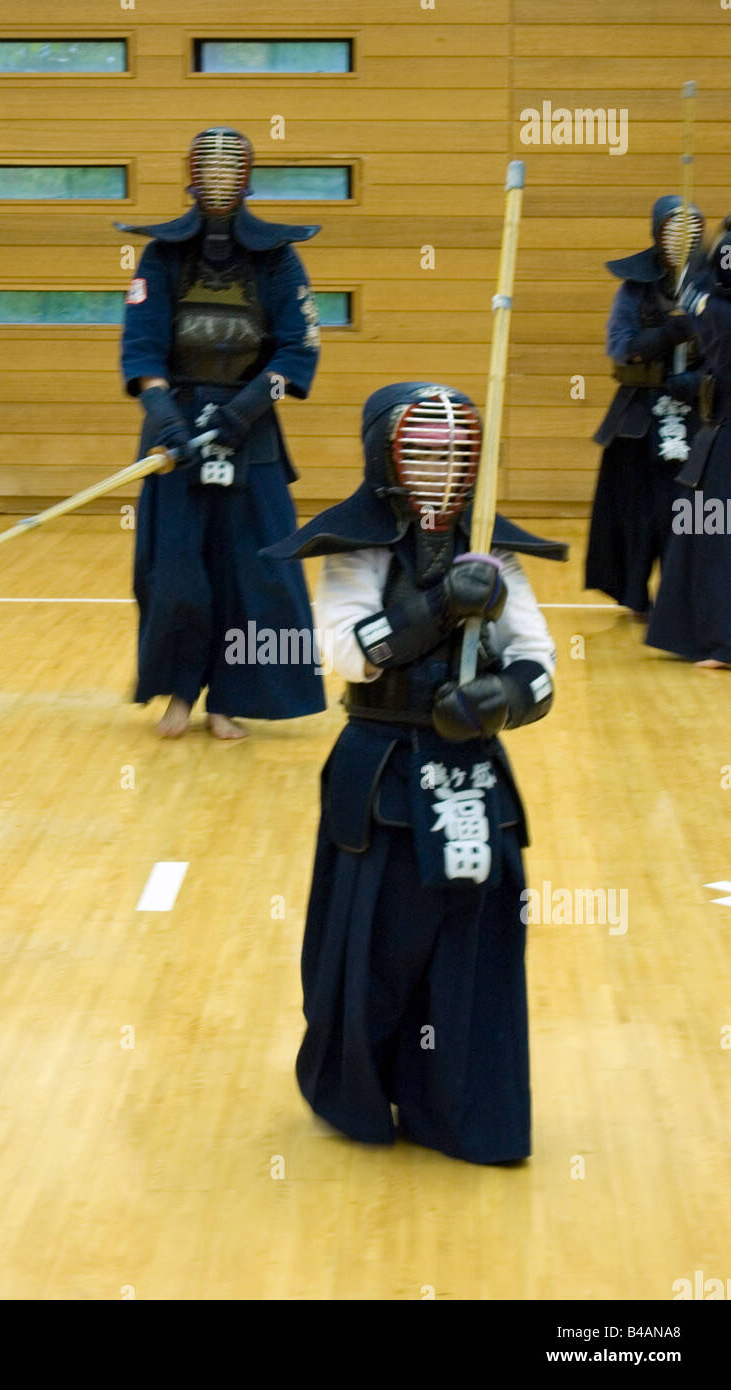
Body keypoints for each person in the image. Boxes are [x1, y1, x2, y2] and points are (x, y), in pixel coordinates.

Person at [262, 382, 567, 1163]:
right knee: (377, 947)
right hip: (383, 773)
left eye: (455, 451)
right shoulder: (357, 547)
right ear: (385, 454)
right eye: (424, 449)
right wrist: (434, 609)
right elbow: (342, 652)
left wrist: (499, 698)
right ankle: (358, 1092)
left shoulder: (492, 549)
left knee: (471, 949)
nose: (442, 465)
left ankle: (459, 1109)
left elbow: (537, 661)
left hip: (471, 774)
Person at [117, 127, 326, 738]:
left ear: (245, 179)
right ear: (190, 176)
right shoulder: (162, 255)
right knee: (174, 568)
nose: (216, 181)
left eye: (228, 170)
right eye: (206, 170)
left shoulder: (278, 258)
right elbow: (143, 343)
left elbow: (297, 350)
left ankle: (231, 698)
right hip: (177, 431)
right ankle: (180, 691)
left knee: (257, 573)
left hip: (251, 430)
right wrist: (162, 414)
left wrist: (248, 408)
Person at [585, 196, 705, 617]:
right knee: (638, 514)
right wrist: (666, 333)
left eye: (688, 233)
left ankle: (684, 601)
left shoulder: (713, 289)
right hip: (638, 419)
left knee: (689, 514)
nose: (679, 241)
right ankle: (636, 594)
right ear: (656, 234)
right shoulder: (635, 290)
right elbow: (621, 347)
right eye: (672, 231)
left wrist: (696, 380)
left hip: (696, 420)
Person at [647, 217, 731, 669]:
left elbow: (694, 298)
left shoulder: (717, 312)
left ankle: (723, 641)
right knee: (700, 527)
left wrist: (693, 260)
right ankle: (698, 634)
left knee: (716, 536)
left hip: (725, 443)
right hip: (717, 437)